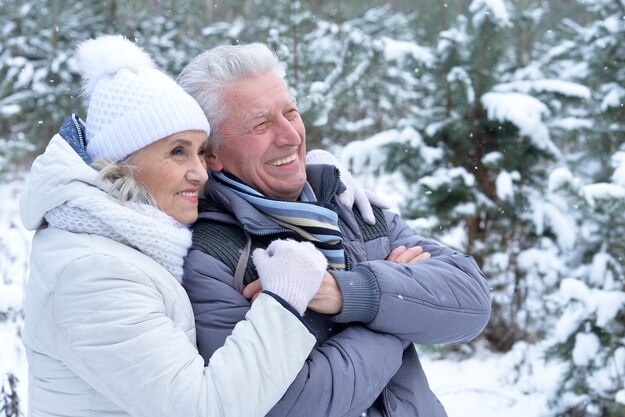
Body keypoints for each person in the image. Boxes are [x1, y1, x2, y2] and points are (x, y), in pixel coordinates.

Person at [19, 35, 330, 417]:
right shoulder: (91, 273)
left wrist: (323, 180)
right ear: (122, 163)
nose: (200, 173)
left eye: (200, 151)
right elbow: (204, 409)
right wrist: (283, 300)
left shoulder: (130, 241)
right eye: (177, 151)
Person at [178, 43, 492, 417]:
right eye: (261, 124)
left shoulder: (349, 207)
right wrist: (397, 313)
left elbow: (472, 303)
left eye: (290, 112)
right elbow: (293, 406)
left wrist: (345, 294)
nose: (290, 136)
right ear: (211, 153)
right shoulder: (212, 260)